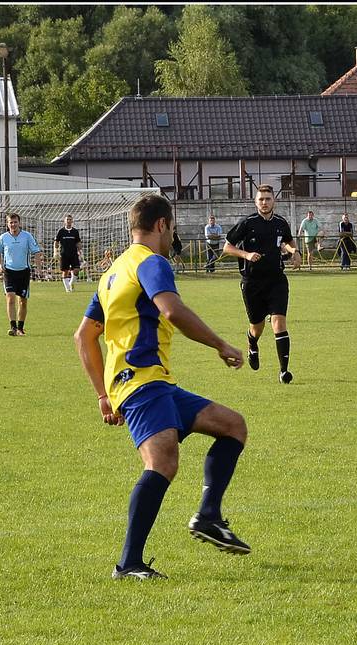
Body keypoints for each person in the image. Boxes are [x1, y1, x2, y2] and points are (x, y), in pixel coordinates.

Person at [74, 192, 250, 580]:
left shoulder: (113, 272)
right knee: (162, 463)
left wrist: (103, 395)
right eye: (172, 229)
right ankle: (128, 564)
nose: (172, 237)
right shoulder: (151, 262)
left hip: (153, 383)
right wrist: (220, 344)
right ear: (160, 225)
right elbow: (172, 309)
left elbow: (84, 336)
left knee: (232, 426)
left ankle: (208, 516)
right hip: (141, 381)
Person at [223, 184, 301, 384]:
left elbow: (288, 241)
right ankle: (252, 344)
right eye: (261, 199)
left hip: (276, 281)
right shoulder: (247, 223)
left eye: (268, 199)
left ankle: (284, 371)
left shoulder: (281, 223)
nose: (264, 202)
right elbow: (227, 247)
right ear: (255, 202)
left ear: (274, 201)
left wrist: (295, 251)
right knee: (257, 327)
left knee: (279, 322)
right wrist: (246, 254)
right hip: (253, 283)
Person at [0, 212, 43, 336]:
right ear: (7, 224)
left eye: (15, 222)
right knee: (10, 298)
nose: (13, 224)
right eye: (11, 222)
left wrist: (38, 268)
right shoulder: (3, 237)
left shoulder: (27, 236)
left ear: (19, 223)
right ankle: (13, 328)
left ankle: (20, 328)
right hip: (9, 272)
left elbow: (36, 251)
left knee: (22, 301)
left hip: (24, 272)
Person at [54, 214, 82, 293]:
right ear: (64, 221)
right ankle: (67, 288)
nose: (69, 221)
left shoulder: (75, 231)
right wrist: (55, 252)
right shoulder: (61, 231)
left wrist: (81, 252)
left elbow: (78, 242)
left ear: (72, 221)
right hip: (64, 255)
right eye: (67, 220)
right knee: (65, 271)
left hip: (74, 254)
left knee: (76, 270)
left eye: (70, 219)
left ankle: (71, 284)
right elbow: (56, 242)